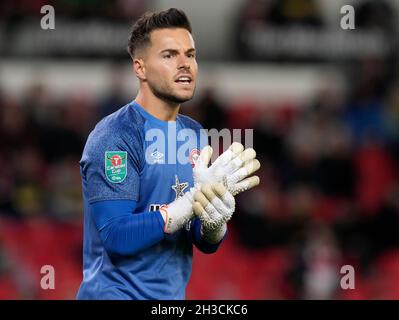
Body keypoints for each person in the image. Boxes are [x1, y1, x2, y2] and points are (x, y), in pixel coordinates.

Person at [76, 8, 260, 300]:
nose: (185, 64)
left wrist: (212, 224)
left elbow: (198, 240)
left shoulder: (195, 134)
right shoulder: (115, 135)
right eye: (169, 55)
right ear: (140, 68)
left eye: (190, 54)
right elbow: (116, 236)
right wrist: (187, 205)